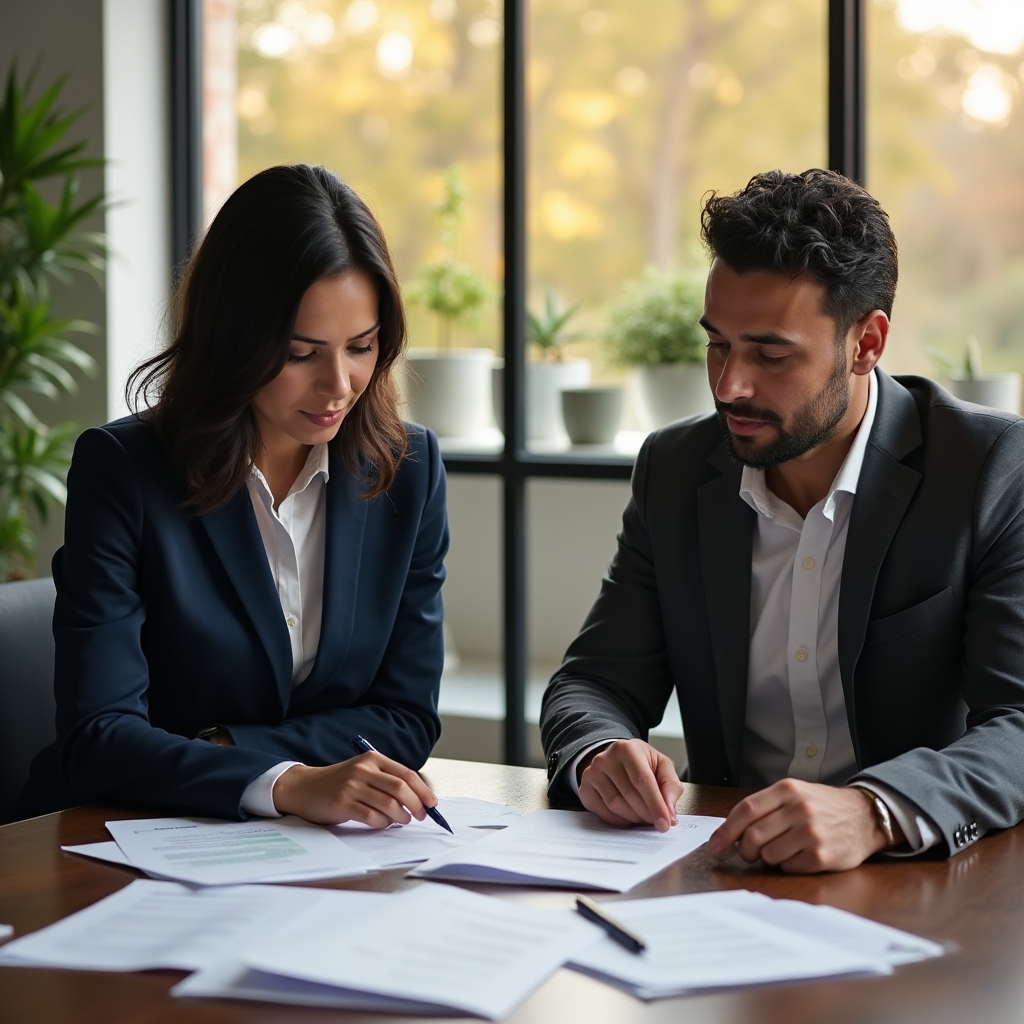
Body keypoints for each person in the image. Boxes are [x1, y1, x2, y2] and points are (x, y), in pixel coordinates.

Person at [541, 168, 1024, 872]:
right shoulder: (675, 470)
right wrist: (599, 752)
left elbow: (1017, 723)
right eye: (718, 344)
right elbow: (594, 681)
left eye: (770, 354)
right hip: (727, 877)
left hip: (914, 883)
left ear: (866, 344)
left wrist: (874, 810)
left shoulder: (983, 466)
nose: (730, 385)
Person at [17, 164, 448, 829]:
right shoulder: (124, 470)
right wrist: (285, 782)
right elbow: (98, 739)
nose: (339, 384)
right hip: (119, 839)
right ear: (234, 338)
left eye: (361, 347)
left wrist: (230, 750)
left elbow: (404, 718)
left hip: (312, 850)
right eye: (303, 353)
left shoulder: (407, 469)